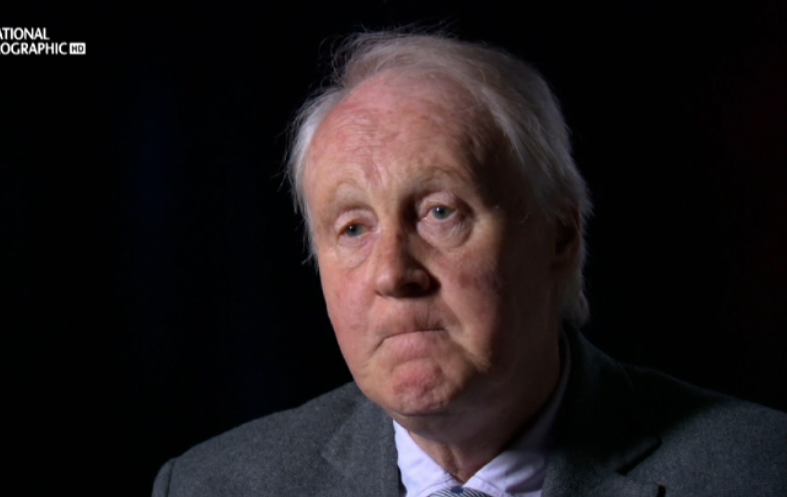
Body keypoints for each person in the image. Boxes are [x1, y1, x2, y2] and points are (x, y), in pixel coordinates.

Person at [152, 31, 787, 497]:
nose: (392, 274)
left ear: (560, 236)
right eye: (353, 228)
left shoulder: (760, 471)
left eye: (440, 213)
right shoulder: (209, 486)